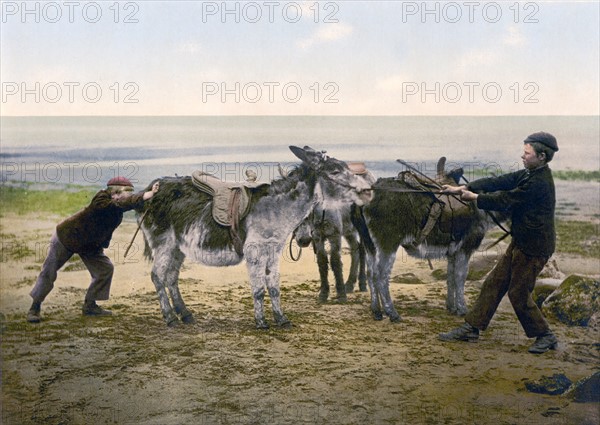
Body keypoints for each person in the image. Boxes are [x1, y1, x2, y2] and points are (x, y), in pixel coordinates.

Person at [438, 131, 559, 354]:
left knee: (519, 294)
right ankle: (471, 327)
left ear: (541, 156)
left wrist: (475, 199)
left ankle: (545, 335)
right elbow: (499, 182)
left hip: (534, 248)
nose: (522, 156)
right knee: (494, 283)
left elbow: (506, 198)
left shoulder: (539, 183)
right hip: (522, 242)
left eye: (527, 153)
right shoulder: (529, 174)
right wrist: (464, 188)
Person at [26, 177, 159, 323]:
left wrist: (151, 196)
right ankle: (35, 307)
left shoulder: (119, 205)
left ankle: (90, 305)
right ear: (114, 192)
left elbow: (129, 203)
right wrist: (145, 195)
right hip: (67, 236)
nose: (129, 194)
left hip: (90, 245)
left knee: (105, 269)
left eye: (131, 192)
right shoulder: (101, 199)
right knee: (49, 271)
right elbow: (119, 204)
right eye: (127, 191)